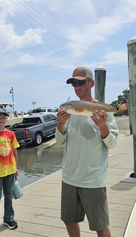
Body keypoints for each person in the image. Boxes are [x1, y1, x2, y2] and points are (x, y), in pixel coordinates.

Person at [56, 67, 118, 237]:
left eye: (81, 82)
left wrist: (103, 126)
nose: (77, 87)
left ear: (91, 83)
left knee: (100, 225)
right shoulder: (68, 111)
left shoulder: (103, 111)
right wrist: (60, 124)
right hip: (69, 176)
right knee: (69, 220)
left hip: (93, 179)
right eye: (74, 83)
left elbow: (112, 143)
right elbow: (60, 141)